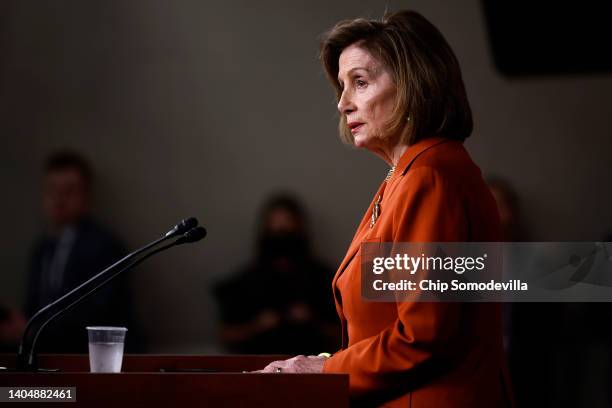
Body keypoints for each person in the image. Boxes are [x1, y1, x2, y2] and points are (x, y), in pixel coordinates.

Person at [258, 10, 513, 407]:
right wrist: (328, 361)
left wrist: (325, 371)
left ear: (414, 85)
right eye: (341, 88)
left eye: (359, 83)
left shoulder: (430, 177)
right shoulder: (405, 177)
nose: (343, 104)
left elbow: (424, 336)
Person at [24, 151, 141, 353]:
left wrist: (35, 331)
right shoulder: (42, 248)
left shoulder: (105, 246)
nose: (59, 200)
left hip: (92, 354)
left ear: (86, 197)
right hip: (45, 352)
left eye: (68, 191)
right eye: (52, 190)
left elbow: (99, 314)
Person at [214, 193, 339, 354]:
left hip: (311, 368)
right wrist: (258, 325)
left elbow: (343, 333)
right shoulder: (244, 282)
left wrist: (311, 320)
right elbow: (226, 335)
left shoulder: (325, 279)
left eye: (288, 225)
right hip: (258, 369)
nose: (281, 232)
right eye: (276, 227)